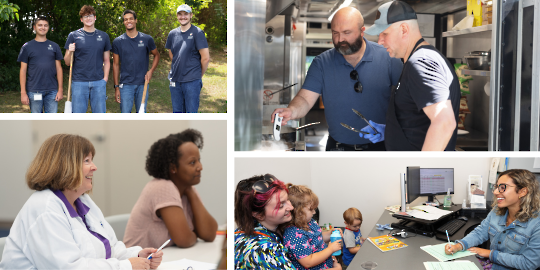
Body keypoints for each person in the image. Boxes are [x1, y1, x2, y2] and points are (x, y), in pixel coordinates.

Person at [0, 134, 163, 270]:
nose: (94, 167)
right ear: (64, 165)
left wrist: (136, 256)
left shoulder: (82, 201)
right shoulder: (44, 208)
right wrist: (126, 266)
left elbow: (109, 248)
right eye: (87, 161)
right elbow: (69, 267)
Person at [271, 7, 402, 151]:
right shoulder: (322, 63)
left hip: (382, 147)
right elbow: (305, 99)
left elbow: (406, 103)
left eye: (347, 33)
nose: (340, 39)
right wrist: (291, 111)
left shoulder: (389, 58)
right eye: (335, 33)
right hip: (337, 148)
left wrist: (393, 129)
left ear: (362, 31)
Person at [363, 1, 460, 151]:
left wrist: (422, 171)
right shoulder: (417, 59)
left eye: (384, 34)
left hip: (418, 172)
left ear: (403, 29)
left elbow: (445, 122)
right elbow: (418, 120)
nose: (380, 41)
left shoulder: (422, 62)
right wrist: (390, 132)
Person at [124, 129, 217, 248]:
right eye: (192, 162)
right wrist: (194, 234)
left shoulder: (187, 188)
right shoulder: (162, 187)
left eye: (199, 160)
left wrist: (191, 193)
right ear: (173, 167)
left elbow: (209, 234)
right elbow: (184, 240)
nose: (200, 167)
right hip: (139, 263)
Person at [445, 169, 540, 270]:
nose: (495, 192)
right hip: (492, 265)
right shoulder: (497, 210)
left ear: (522, 191)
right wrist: (459, 246)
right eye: (496, 187)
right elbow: (480, 232)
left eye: (503, 187)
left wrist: (490, 254)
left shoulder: (536, 224)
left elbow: (529, 263)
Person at [234, 174, 296, 269]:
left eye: (288, 200)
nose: (291, 207)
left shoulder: (270, 227)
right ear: (258, 214)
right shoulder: (264, 250)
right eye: (280, 206)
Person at [64, 5, 112, 113]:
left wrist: (105, 79)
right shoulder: (73, 35)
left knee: (100, 118)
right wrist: (70, 52)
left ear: (95, 17)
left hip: (99, 82)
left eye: (90, 16)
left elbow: (107, 61)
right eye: (85, 16)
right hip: (79, 82)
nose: (88, 18)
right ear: (81, 19)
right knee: (78, 119)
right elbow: (67, 62)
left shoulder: (104, 36)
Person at [283, 184, 342, 270]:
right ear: (298, 212)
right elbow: (308, 262)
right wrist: (330, 250)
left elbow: (318, 238)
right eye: (311, 209)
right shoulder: (294, 234)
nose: (314, 212)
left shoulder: (310, 222)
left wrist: (331, 234)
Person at [112, 9, 160, 113]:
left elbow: (156, 55)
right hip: (125, 85)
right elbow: (115, 65)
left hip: (143, 83)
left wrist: (151, 71)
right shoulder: (117, 42)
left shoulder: (147, 39)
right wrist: (116, 87)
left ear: (136, 20)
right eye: (125, 20)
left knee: (141, 116)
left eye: (130, 19)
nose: (128, 21)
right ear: (124, 22)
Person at [165, 4, 210, 113]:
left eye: (186, 14)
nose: (183, 17)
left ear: (191, 15)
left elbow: (205, 58)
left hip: (192, 81)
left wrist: (198, 75)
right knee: (177, 113)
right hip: (175, 81)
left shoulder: (197, 32)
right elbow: (171, 53)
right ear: (177, 16)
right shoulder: (172, 34)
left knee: (191, 114)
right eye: (180, 14)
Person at [17, 16, 63, 113]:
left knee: (51, 121)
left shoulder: (54, 46)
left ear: (49, 27)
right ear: (34, 27)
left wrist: (60, 89)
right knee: (37, 120)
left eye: (45, 25)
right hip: (34, 90)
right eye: (40, 25)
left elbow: (59, 69)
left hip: (52, 91)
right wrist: (23, 92)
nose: (43, 27)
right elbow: (23, 70)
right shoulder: (27, 47)